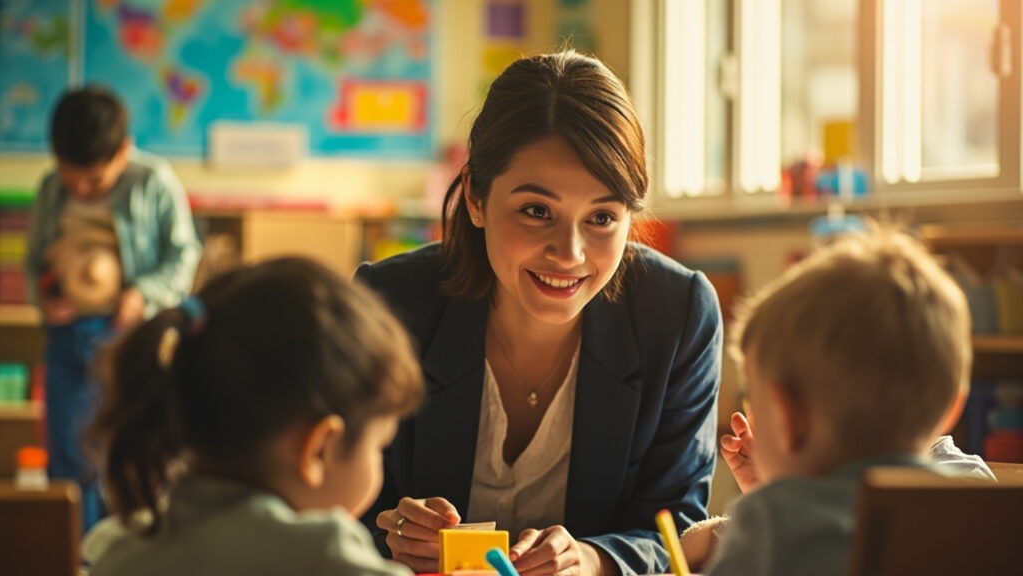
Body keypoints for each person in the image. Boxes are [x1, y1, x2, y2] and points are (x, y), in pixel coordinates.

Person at [355, 50, 723, 576]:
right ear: (476, 198)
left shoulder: (678, 314)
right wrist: (389, 535)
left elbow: (678, 525)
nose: (569, 253)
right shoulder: (388, 305)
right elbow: (324, 503)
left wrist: (593, 560)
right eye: (536, 211)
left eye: (601, 216)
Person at [83, 258, 424, 576]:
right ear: (319, 448)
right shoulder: (328, 558)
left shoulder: (113, 551)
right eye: (379, 447)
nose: (379, 464)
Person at [686, 228, 975, 576]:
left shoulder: (773, 524)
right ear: (952, 409)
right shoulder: (980, 504)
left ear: (786, 418)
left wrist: (776, 497)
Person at [24, 85, 201, 530]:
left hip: (129, 336)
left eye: (94, 181)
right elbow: (34, 260)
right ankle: (78, 549)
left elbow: (183, 253)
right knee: (68, 451)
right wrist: (46, 297)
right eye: (71, 177)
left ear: (123, 151)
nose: (81, 189)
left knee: (128, 446)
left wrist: (142, 294)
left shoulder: (153, 181)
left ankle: (129, 545)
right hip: (67, 337)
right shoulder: (50, 188)